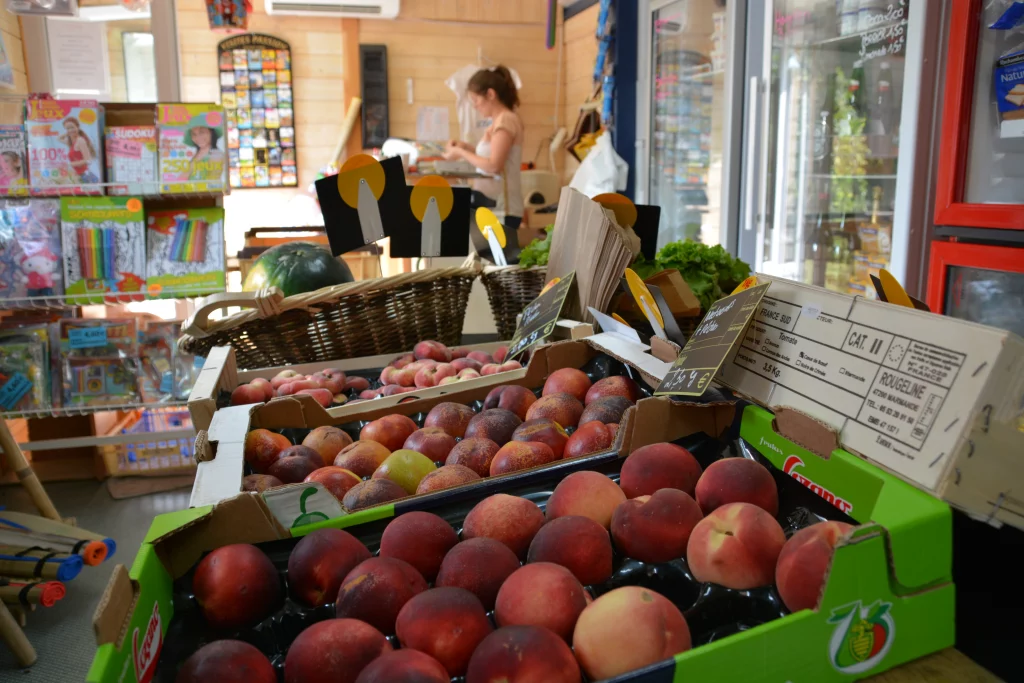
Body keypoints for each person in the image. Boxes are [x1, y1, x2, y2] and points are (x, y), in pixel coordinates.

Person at [444, 65, 524, 237]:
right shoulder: (498, 121)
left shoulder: (506, 121)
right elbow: (491, 155)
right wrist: (465, 147)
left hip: (504, 209)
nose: (475, 107)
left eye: (476, 101)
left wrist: (461, 153)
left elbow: (494, 165)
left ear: (490, 94)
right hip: (492, 206)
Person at [185, 113, 226, 181]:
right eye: (194, 134)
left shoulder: (216, 154)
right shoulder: (198, 153)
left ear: (211, 133)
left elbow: (212, 181)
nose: (198, 137)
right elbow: (183, 177)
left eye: (202, 132)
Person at [59, 117, 99, 185]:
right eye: (67, 128)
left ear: (77, 126)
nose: (70, 130)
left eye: (72, 127)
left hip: (86, 175)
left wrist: (69, 164)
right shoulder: (71, 142)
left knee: (91, 191)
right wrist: (68, 133)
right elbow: (59, 139)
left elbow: (88, 160)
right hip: (79, 175)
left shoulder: (80, 141)